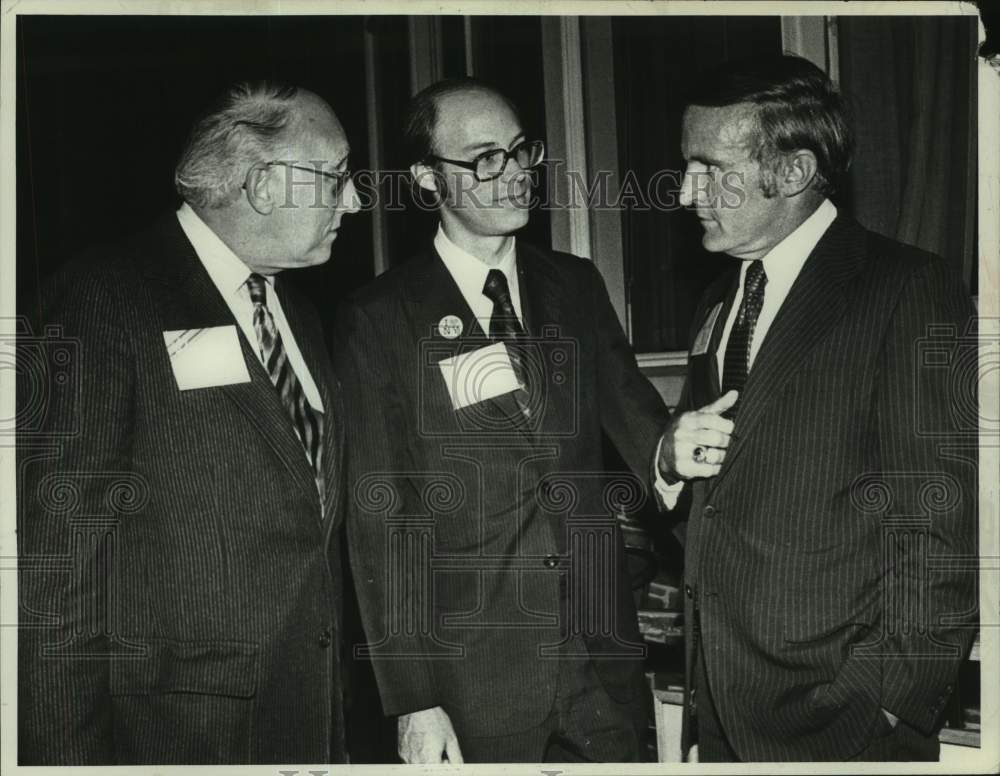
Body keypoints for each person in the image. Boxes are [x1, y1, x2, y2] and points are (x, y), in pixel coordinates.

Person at [334, 78, 721, 764]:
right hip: (475, 678)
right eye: (484, 159)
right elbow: (381, 521)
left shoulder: (574, 285)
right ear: (427, 179)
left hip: (602, 661)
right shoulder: (379, 318)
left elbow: (639, 423)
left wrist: (671, 449)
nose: (513, 175)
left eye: (519, 152)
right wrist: (414, 699)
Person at [17, 81, 360, 764]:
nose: (353, 200)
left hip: (309, 716)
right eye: (336, 177)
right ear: (264, 185)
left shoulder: (300, 314)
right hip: (178, 732)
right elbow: (59, 563)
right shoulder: (106, 297)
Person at [658, 54, 978, 761]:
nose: (687, 193)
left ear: (795, 172)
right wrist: (670, 461)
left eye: (711, 169)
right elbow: (717, 498)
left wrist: (891, 699)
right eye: (688, 167)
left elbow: (942, 522)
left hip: (846, 718)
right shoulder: (720, 299)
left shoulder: (906, 289)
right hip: (721, 710)